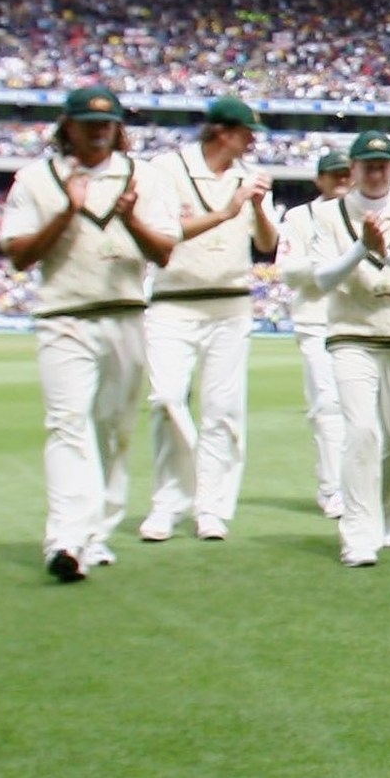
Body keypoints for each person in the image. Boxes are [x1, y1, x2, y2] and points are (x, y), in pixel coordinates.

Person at [0, 86, 180, 581]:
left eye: (107, 123)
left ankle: (95, 533)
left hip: (123, 313)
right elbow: (18, 255)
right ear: (67, 126)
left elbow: (163, 252)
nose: (98, 131)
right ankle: (65, 539)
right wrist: (65, 212)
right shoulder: (36, 179)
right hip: (64, 315)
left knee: (113, 429)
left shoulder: (146, 176)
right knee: (66, 423)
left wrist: (130, 217)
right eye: (87, 123)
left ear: (119, 128)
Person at [139, 96, 276, 542]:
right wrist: (225, 211)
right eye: (245, 132)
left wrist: (255, 206)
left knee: (223, 410)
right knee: (165, 398)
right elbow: (160, 235)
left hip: (230, 302)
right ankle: (169, 502)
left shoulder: (248, 177)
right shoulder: (165, 170)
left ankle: (211, 509)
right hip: (172, 300)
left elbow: (268, 244)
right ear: (221, 132)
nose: (252, 140)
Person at [305, 130, 390, 567]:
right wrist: (361, 249)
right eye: (368, 164)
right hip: (351, 335)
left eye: (383, 164)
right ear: (354, 169)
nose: (376, 171)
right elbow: (323, 279)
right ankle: (358, 535)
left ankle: (389, 518)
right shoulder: (330, 216)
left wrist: (385, 254)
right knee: (361, 432)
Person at [273, 152, 353, 517]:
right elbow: (288, 271)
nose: (340, 181)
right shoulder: (299, 216)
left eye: (345, 174)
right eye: (333, 175)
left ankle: (360, 486)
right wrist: (334, 264)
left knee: (365, 410)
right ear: (319, 180)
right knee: (328, 405)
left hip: (361, 320)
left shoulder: (365, 213)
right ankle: (332, 489)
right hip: (316, 319)